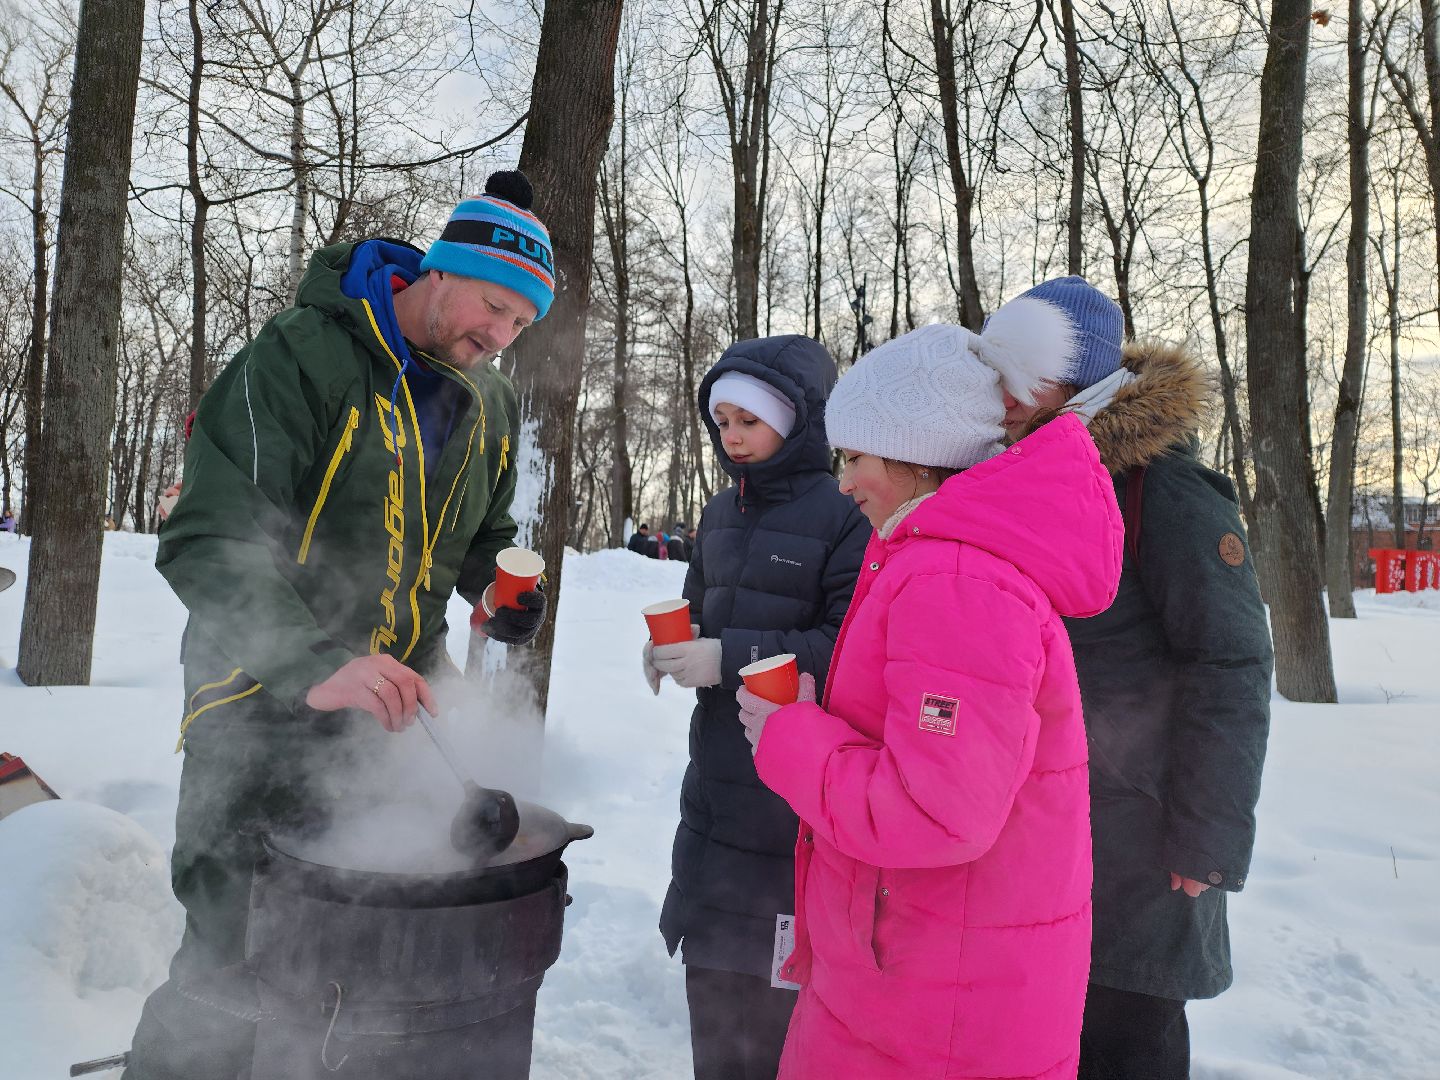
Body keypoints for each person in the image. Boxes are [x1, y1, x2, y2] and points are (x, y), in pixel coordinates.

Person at [123, 170, 553, 1080]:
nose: (500, 336)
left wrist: (495, 588)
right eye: (493, 305)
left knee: (360, 964)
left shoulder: (490, 403)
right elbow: (208, 538)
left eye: (522, 323)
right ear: (439, 271)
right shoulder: (302, 355)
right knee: (233, 960)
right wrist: (314, 662)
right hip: (258, 708)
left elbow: (483, 537)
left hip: (398, 714)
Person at [737, 295, 1125, 1079]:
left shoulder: (957, 578)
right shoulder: (938, 559)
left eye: (856, 457)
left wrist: (790, 735)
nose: (843, 483)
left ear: (918, 452)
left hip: (930, 1013)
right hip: (921, 984)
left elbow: (935, 813)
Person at [999, 278, 1273, 1080]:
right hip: (1054, 815)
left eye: (1022, 373)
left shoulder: (1167, 488)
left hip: (1148, 834)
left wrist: (1208, 834)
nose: (1003, 394)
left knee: (1126, 1033)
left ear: (1075, 380)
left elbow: (1231, 661)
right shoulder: (1024, 478)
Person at [644, 336, 869, 1080]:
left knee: (776, 1032)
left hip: (791, 815)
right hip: (713, 800)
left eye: (749, 421)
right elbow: (697, 611)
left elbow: (848, 648)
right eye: (723, 421)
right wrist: (671, 648)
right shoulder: (719, 511)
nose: (731, 436)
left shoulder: (844, 515)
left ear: (797, 422)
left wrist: (728, 655)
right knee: (713, 1011)